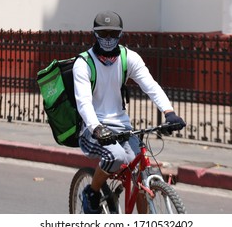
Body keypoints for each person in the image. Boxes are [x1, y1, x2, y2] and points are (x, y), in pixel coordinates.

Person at [73, 11, 186, 214]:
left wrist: (169, 112)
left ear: (120, 34)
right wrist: (96, 127)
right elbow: (84, 103)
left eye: (113, 33)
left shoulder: (128, 57)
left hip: (123, 128)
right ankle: (92, 191)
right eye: (103, 33)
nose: (108, 38)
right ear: (94, 34)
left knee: (142, 170)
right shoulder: (84, 63)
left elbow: (150, 85)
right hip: (93, 130)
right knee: (116, 156)